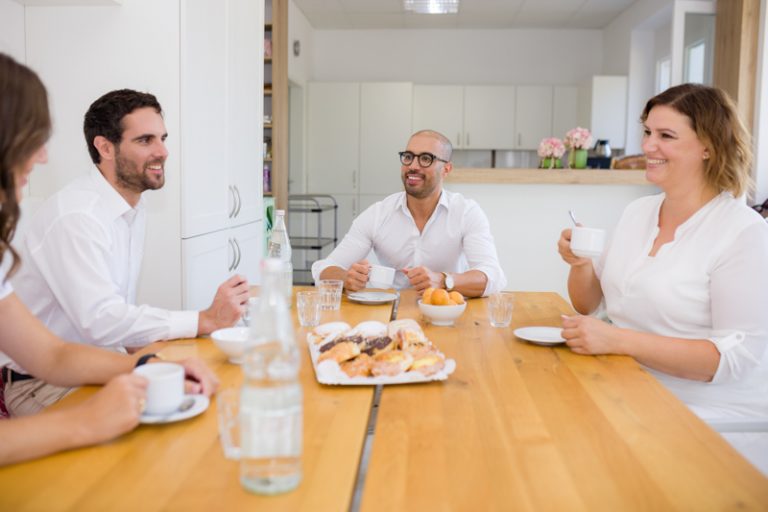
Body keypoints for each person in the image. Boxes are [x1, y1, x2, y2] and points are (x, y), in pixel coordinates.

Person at [0, 53, 218, 465]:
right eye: (31, 137)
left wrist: (149, 363)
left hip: (72, 368)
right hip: (39, 386)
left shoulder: (129, 211)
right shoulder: (77, 215)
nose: (43, 157)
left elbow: (56, 354)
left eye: (162, 139)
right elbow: (98, 323)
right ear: (105, 147)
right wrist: (87, 420)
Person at [557, 83, 768, 473]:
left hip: (709, 414)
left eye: (666, 136)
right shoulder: (638, 212)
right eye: (648, 132)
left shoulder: (742, 231)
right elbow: (590, 303)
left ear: (709, 145)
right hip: (628, 385)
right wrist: (580, 264)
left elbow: (731, 360)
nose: (648, 146)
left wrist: (616, 340)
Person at [312, 129, 506, 297]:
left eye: (425, 158)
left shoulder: (466, 212)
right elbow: (322, 268)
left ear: (446, 169)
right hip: (392, 313)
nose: (413, 165)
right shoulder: (378, 214)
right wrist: (346, 278)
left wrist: (444, 281)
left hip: (448, 312)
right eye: (408, 157)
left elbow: (494, 277)